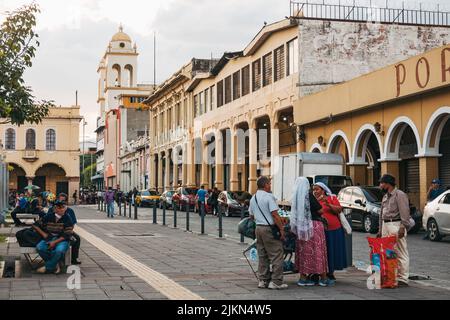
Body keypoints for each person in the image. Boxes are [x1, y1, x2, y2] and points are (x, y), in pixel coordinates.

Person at [249, 176, 288, 290]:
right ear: (265, 185)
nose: (270, 185)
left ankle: (263, 280)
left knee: (262, 255)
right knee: (276, 255)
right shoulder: (269, 197)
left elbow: (251, 215)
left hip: (258, 228)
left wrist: (260, 217)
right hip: (268, 229)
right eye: (269, 183)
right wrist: (281, 229)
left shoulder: (253, 198)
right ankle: (276, 281)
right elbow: (275, 215)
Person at [291, 177, 330, 287]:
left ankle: (303, 278)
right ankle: (323, 278)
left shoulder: (296, 197)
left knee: (304, 252)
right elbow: (320, 210)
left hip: (301, 227)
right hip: (314, 226)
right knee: (318, 251)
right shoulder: (309, 196)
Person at [378, 174, 412, 287]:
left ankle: (403, 278)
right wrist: (380, 229)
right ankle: (393, 276)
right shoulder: (385, 196)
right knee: (388, 252)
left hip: (396, 224)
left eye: (381, 183)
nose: (380, 185)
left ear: (388, 184)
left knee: (401, 251)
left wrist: (403, 227)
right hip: (385, 225)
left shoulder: (400, 195)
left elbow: (405, 213)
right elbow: (381, 214)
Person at [313, 182, 347, 285]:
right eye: (314, 189)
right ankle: (318, 272)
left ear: (323, 190)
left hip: (334, 229)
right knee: (322, 253)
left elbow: (339, 210)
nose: (315, 191)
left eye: (317, 189)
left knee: (332, 252)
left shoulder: (332, 198)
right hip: (320, 231)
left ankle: (330, 272)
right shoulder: (313, 200)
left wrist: (328, 204)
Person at [33, 200, 74, 274]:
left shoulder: (67, 218)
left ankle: (48, 266)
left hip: (62, 240)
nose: (62, 209)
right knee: (40, 247)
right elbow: (35, 225)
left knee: (59, 251)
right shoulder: (49, 216)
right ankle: (56, 263)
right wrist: (44, 234)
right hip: (49, 238)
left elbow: (67, 234)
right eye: (60, 208)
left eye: (63, 207)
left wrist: (54, 242)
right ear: (55, 209)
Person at [48, 193, 81, 265]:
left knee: (77, 238)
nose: (61, 203)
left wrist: (69, 230)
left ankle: (74, 258)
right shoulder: (52, 209)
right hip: (53, 230)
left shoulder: (70, 211)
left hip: (66, 231)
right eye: (60, 200)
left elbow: (72, 223)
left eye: (63, 201)